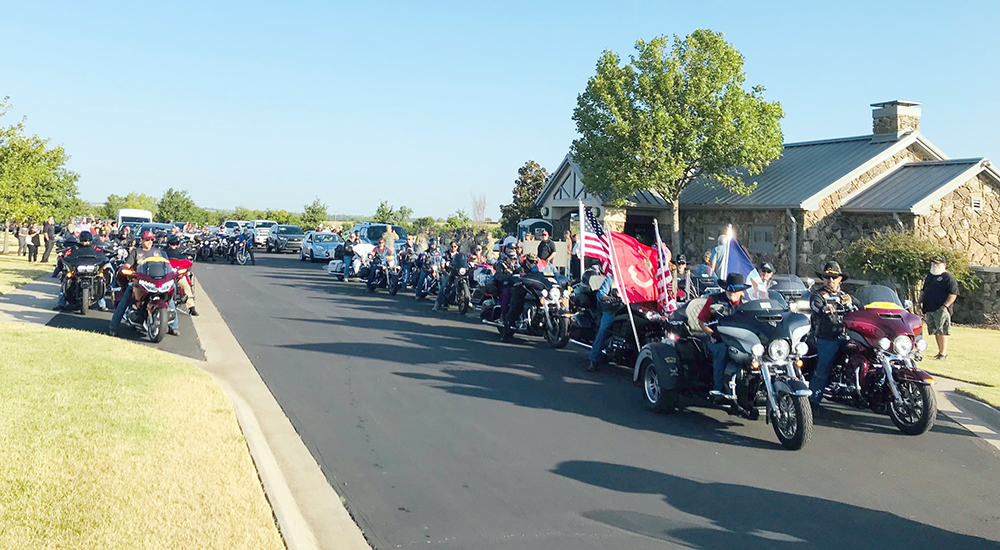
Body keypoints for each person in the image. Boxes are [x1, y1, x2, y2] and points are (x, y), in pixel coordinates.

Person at [109, 230, 178, 336]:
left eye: (151, 240)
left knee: (169, 298)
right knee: (125, 300)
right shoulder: (136, 252)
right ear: (141, 240)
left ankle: (174, 326)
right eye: (146, 240)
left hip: (156, 281)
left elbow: (165, 265)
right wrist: (127, 269)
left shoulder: (157, 252)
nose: (149, 242)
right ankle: (113, 327)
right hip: (139, 281)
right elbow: (127, 265)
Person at [808, 261, 856, 410]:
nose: (831, 281)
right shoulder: (818, 295)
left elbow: (862, 307)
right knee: (824, 366)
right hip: (826, 338)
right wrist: (825, 307)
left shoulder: (846, 296)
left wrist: (853, 303)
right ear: (823, 279)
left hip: (845, 337)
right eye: (827, 277)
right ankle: (813, 401)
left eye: (834, 278)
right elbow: (815, 306)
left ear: (840, 279)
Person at [698, 273, 749, 400]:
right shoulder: (714, 300)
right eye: (730, 289)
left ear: (741, 291)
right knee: (722, 351)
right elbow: (701, 321)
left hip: (739, 341)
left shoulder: (746, 304)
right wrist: (711, 334)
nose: (732, 292)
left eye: (736, 290)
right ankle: (718, 390)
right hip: (718, 340)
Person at [920, 256, 959, 360]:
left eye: (938, 264)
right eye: (934, 264)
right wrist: (920, 301)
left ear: (944, 265)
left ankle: (943, 353)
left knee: (943, 330)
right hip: (930, 308)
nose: (935, 266)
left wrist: (945, 306)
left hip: (941, 309)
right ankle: (940, 352)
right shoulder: (930, 276)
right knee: (936, 331)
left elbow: (953, 294)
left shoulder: (948, 278)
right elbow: (924, 290)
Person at [501, 253, 539, 341]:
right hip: (519, 289)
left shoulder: (536, 269)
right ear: (527, 261)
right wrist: (518, 277)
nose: (534, 263)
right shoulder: (521, 267)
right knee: (516, 307)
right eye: (532, 261)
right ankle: (506, 333)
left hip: (532, 291)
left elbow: (540, 276)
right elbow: (517, 275)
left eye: (535, 262)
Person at [587, 271, 619, 372]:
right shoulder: (612, 278)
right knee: (604, 329)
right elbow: (601, 294)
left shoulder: (635, 278)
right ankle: (594, 360)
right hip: (613, 309)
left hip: (631, 308)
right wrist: (609, 298)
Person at [165, 235, 197, 316]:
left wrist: (182, 267)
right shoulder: (163, 252)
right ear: (168, 243)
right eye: (173, 243)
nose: (175, 245)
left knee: (186, 286)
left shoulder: (182, 252)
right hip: (166, 276)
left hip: (178, 275)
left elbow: (187, 262)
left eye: (176, 243)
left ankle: (191, 308)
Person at [433, 241, 461, 311]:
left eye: (455, 246)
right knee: (443, 287)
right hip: (447, 272)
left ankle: (466, 302)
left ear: (457, 247)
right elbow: (442, 266)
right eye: (452, 246)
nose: (453, 248)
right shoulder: (446, 254)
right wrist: (445, 272)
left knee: (460, 286)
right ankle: (437, 304)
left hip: (457, 273)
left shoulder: (459, 255)